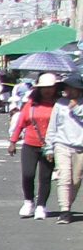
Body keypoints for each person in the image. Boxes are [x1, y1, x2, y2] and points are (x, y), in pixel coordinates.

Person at [12, 78, 58, 219]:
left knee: (45, 177)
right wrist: (13, 141)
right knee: (28, 174)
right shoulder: (31, 104)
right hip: (30, 144)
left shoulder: (59, 105)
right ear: (39, 89)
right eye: (44, 87)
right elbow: (21, 123)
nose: (48, 90)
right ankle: (29, 202)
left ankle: (41, 206)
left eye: (51, 87)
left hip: (49, 147)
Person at [49, 77, 83, 223]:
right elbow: (53, 126)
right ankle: (65, 210)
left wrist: (75, 107)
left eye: (69, 87)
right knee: (64, 177)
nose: (66, 90)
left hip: (80, 147)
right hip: (62, 144)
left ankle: (67, 204)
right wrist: (49, 147)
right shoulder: (59, 104)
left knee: (75, 181)